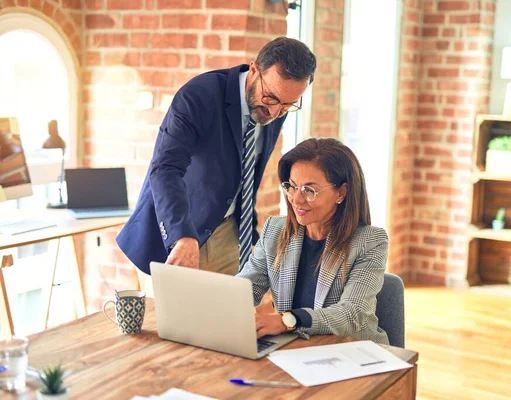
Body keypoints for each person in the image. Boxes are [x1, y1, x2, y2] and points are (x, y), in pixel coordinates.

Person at [116, 37, 317, 293]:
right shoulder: (199, 96)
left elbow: (246, 171)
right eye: (271, 99)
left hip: (229, 235)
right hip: (176, 233)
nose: (277, 112)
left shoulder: (276, 106)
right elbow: (165, 168)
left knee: (228, 327)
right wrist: (182, 236)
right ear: (254, 70)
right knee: (169, 331)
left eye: (289, 105)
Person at [236, 138, 390, 345]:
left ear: (341, 193)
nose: (296, 199)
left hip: (350, 351)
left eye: (309, 190)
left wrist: (287, 321)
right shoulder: (275, 230)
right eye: (292, 186)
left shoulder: (370, 242)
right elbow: (245, 288)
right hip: (295, 348)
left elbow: (352, 314)